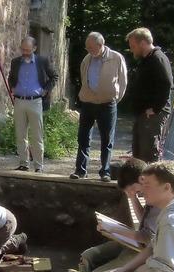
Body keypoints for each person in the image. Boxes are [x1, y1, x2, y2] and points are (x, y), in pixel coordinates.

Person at [67, 158, 159, 272]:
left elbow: (148, 238)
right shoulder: (147, 191)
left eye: (132, 189)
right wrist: (132, 197)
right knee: (88, 256)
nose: (134, 193)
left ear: (142, 180)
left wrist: (116, 230)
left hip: (145, 251)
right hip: (135, 243)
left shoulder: (157, 195)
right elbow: (143, 221)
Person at [70, 32, 127, 181]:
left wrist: (113, 98)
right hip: (88, 103)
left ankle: (105, 172)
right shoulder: (86, 59)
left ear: (100, 45)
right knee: (83, 138)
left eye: (91, 47)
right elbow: (84, 78)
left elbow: (123, 82)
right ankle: (80, 170)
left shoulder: (116, 58)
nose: (88, 50)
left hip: (107, 104)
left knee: (107, 139)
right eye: (87, 47)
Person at [8, 36, 58, 173]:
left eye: (28, 50)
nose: (25, 52)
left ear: (34, 48)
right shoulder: (15, 62)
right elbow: (11, 77)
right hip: (19, 101)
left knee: (37, 135)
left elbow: (54, 76)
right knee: (20, 134)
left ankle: (38, 166)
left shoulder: (42, 61)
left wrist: (45, 90)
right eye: (23, 49)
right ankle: (24, 163)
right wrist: (12, 86)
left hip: (35, 101)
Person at [126, 28, 174, 163]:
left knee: (148, 151)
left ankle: (152, 182)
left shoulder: (157, 58)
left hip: (152, 113)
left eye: (133, 46)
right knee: (138, 151)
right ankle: (141, 181)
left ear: (142, 43)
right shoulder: (146, 60)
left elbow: (166, 84)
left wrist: (155, 109)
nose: (131, 50)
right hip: (143, 112)